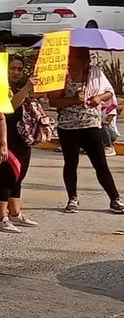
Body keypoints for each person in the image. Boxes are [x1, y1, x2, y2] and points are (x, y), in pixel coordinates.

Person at [49, 47, 123, 214]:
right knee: (71, 163)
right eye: (71, 60)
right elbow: (53, 101)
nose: (73, 64)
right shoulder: (61, 75)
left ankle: (114, 198)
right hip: (68, 126)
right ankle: (72, 198)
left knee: (100, 163)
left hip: (91, 124)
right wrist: (74, 100)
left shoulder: (95, 72)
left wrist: (99, 97)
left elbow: (109, 93)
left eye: (78, 61)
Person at [0, 55, 40, 231]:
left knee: (19, 176)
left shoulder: (22, 85)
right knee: (9, 175)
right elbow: (10, 106)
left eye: (20, 69)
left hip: (23, 137)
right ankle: (0, 218)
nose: (16, 72)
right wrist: (27, 88)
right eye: (12, 68)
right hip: (5, 136)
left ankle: (15, 213)